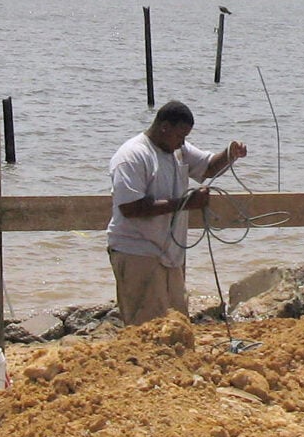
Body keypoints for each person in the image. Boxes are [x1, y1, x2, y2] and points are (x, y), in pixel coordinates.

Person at [106, 101, 247, 328]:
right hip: (137, 252)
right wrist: (186, 203)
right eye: (180, 136)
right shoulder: (132, 155)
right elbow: (130, 208)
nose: (182, 142)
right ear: (164, 127)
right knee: (146, 327)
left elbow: (209, 167)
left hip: (170, 253)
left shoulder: (178, 150)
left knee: (176, 323)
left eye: (185, 137)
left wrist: (230, 154)